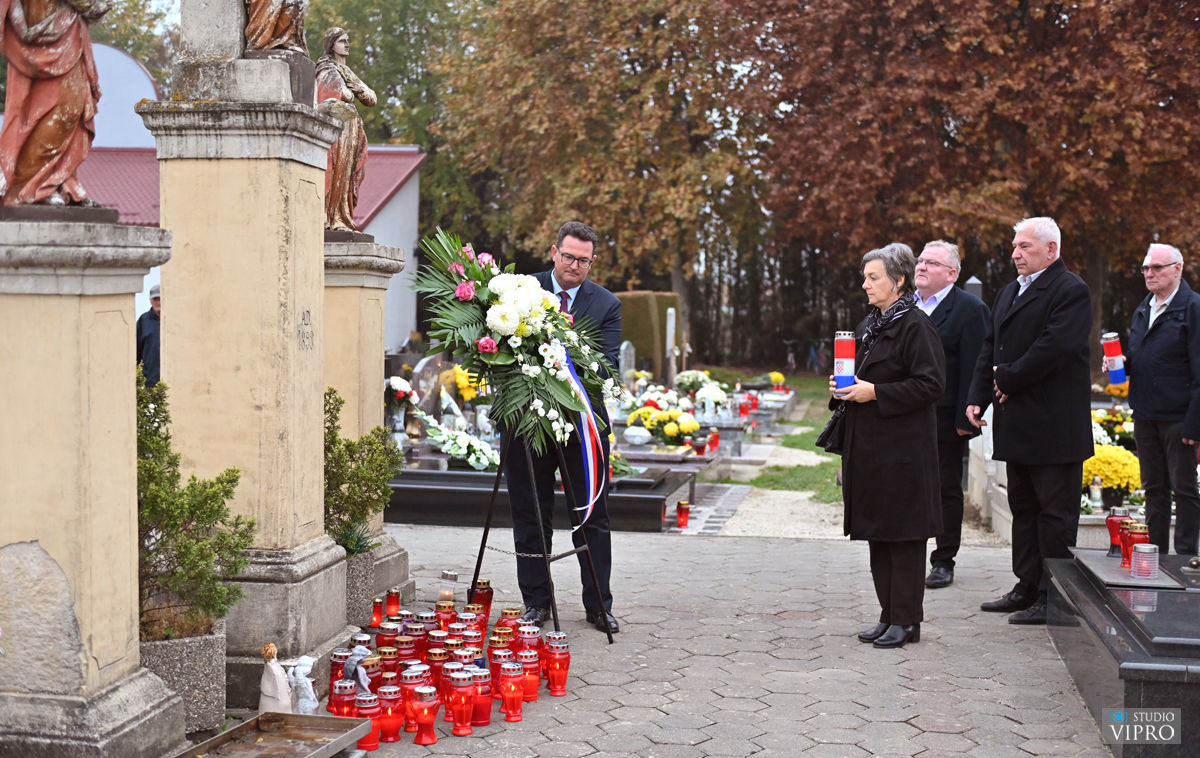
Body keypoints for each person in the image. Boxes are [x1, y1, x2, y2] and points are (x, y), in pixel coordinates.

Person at [967, 217, 1093, 625]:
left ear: (1051, 249)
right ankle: (1025, 586)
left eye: (1025, 246)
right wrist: (977, 397)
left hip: (1054, 426)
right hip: (1017, 421)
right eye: (1014, 246)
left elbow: (1055, 347)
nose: (1015, 253)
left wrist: (1008, 378)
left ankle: (1053, 597)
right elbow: (991, 346)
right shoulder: (1010, 291)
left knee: (1054, 517)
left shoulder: (1070, 290)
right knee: (1023, 509)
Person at [504, 221, 622, 633]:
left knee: (592, 516)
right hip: (525, 422)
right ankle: (536, 603)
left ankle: (599, 605)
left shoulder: (606, 304)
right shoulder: (519, 291)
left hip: (582, 427)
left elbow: (606, 367)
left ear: (592, 262)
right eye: (569, 256)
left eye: (584, 260)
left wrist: (561, 352)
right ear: (554, 252)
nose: (575, 265)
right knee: (530, 514)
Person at [830, 243, 945, 650]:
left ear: (899, 280)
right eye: (865, 277)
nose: (865, 284)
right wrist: (843, 388)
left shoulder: (915, 325)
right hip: (871, 449)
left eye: (873, 277)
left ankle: (907, 620)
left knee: (904, 537)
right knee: (878, 533)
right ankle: (888, 614)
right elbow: (860, 375)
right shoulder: (870, 324)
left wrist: (875, 392)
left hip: (904, 451)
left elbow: (931, 385)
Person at [913, 241, 991, 589]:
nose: (921, 266)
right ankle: (908, 553)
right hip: (904, 413)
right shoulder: (906, 305)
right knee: (909, 486)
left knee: (945, 488)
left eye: (931, 263)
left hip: (944, 417)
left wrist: (965, 419)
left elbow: (976, 366)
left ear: (952, 274)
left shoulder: (970, 309)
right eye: (920, 261)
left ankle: (944, 560)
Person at [1126, 243, 1200, 556]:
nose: (1149, 273)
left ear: (1177, 269)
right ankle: (1153, 556)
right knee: (1154, 489)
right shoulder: (1144, 308)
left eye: (1157, 267)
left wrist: (1194, 423)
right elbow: (1143, 354)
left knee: (1184, 489)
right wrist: (1122, 363)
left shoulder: (1193, 308)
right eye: (1145, 268)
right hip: (1145, 413)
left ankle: (1185, 559)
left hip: (1179, 417)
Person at [0, 0, 111, 206]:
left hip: (69, 32)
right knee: (35, 116)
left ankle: (56, 182)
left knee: (72, 111)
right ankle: (27, 188)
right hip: (34, 31)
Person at [316, 27, 377, 231]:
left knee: (348, 173)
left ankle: (343, 215)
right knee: (336, 169)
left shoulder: (346, 72)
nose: (347, 44)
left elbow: (371, 99)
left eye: (347, 40)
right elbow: (339, 93)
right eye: (342, 41)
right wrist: (353, 91)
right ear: (331, 45)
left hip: (351, 127)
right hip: (337, 126)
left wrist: (355, 88)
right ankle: (331, 217)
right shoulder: (326, 68)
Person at [137, 284, 161, 387]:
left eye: (161, 298)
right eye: (155, 299)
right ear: (150, 301)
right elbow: (135, 352)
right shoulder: (143, 321)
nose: (158, 302)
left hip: (173, 382)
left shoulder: (175, 320)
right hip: (149, 383)